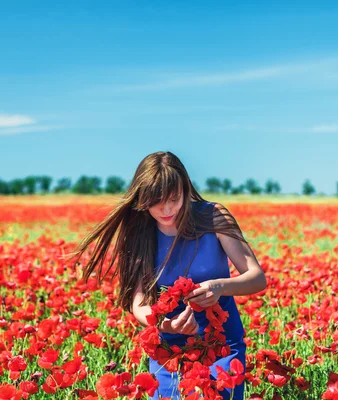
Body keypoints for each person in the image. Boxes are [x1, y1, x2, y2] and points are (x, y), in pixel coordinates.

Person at [67, 151, 267, 399]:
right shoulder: (139, 233)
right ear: (142, 198)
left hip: (222, 346)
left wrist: (219, 287)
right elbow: (138, 301)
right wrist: (165, 325)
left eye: (174, 198)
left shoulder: (213, 216)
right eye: (156, 201)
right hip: (169, 349)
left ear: (185, 188)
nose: (167, 208)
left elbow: (257, 277)